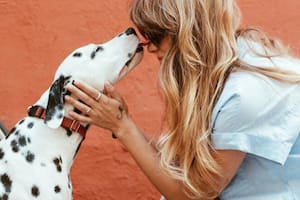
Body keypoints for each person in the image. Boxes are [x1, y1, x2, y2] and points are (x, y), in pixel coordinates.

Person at [64, 0, 300, 199]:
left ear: (189, 30)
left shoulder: (244, 95)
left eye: (156, 35)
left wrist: (122, 126)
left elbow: (195, 194)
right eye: (146, 35)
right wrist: (122, 121)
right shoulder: (224, 66)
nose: (149, 47)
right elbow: (183, 167)